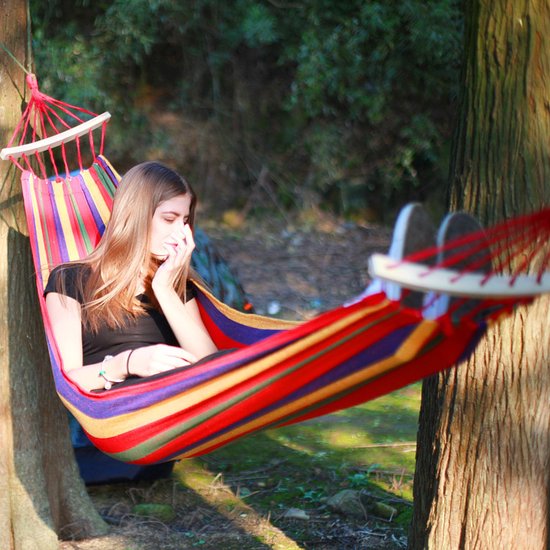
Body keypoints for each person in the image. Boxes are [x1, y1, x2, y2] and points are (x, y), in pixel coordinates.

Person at [45, 161, 219, 392]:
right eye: (169, 219)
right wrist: (128, 363)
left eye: (185, 221)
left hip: (176, 407)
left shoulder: (175, 284)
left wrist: (165, 290)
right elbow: (69, 381)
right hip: (118, 415)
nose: (181, 233)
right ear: (135, 215)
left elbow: (213, 367)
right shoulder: (69, 280)